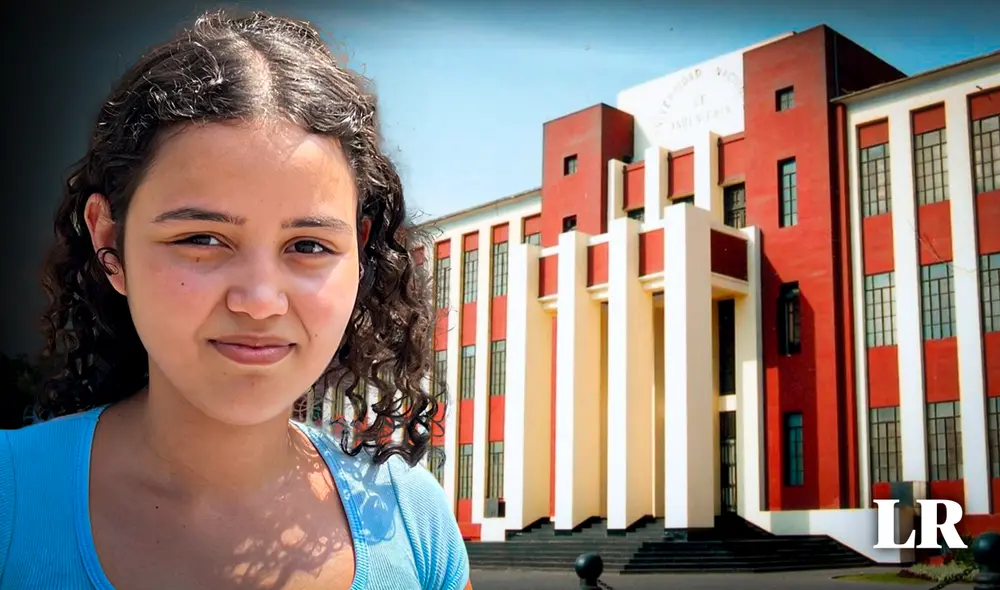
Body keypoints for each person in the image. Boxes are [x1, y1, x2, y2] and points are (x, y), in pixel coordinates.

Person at [0, 9, 471, 590]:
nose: (260, 301)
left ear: (360, 251)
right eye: (201, 239)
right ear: (108, 240)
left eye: (308, 244)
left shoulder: (415, 524)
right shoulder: (9, 498)